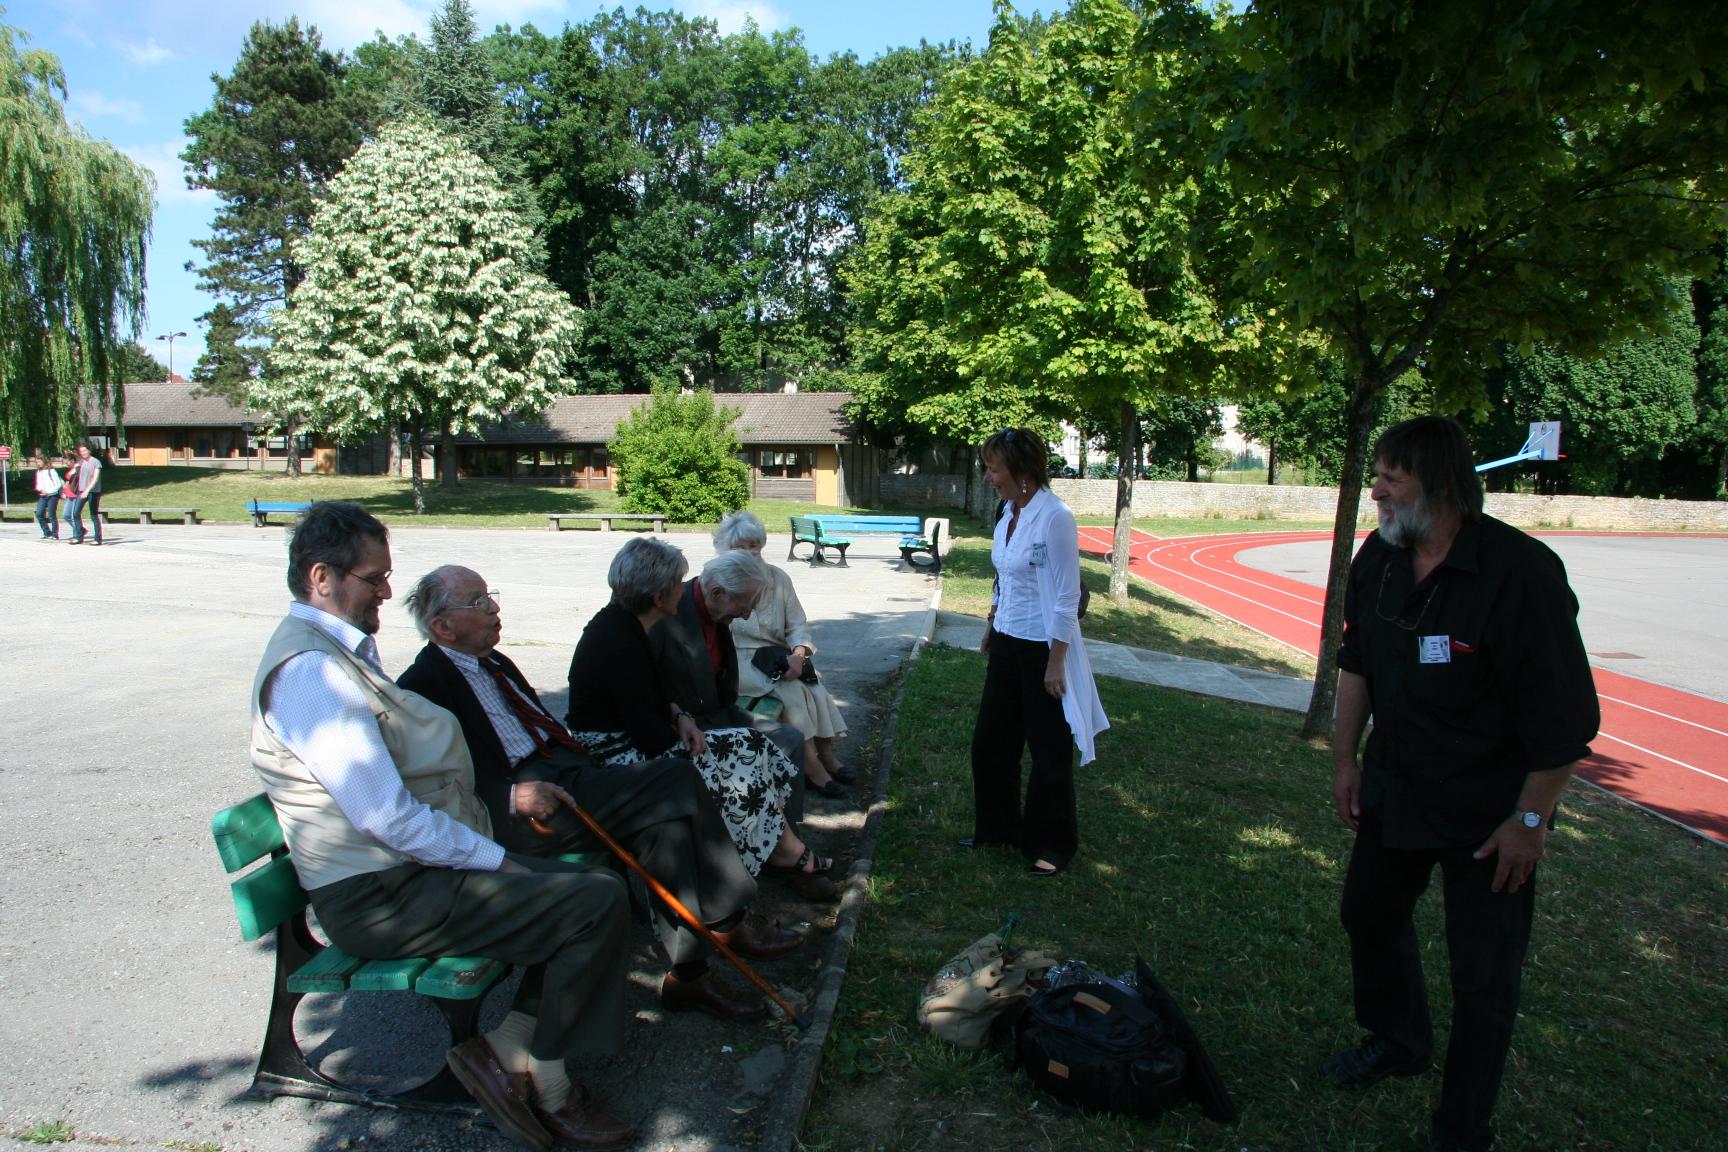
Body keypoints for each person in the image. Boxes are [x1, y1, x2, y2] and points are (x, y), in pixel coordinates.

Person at [249, 501, 634, 1152]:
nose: (388, 591)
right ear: (322, 578)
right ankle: (545, 1079)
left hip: (398, 878)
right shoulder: (311, 672)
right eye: (374, 578)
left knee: (587, 881)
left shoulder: (333, 655)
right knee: (592, 901)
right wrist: (494, 858)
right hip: (377, 896)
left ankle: (513, 1047)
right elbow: (387, 817)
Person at [1324, 416, 1599, 1152]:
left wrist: (1531, 822)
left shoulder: (1520, 574)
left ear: (1441, 486)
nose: (1376, 489)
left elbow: (1566, 719)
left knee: (1484, 977)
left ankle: (1462, 1126)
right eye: (1376, 473)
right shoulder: (1378, 561)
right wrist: (1346, 759)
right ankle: (1398, 1039)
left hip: (1490, 813)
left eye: (1391, 477)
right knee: (1368, 915)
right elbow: (1359, 663)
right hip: (1397, 786)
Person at [398, 564, 802, 1022]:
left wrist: (671, 714)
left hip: (570, 774)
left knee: (664, 825)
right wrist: (510, 797)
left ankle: (688, 977)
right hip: (527, 807)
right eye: (478, 602)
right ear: (442, 627)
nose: (494, 608)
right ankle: (727, 918)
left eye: (490, 595)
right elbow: (428, 789)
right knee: (675, 775)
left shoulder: (494, 664)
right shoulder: (421, 687)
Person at [566, 538, 837, 902]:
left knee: (754, 744)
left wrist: (678, 715)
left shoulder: (628, 625)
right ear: (660, 597)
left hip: (654, 733)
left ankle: (780, 849)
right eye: (678, 583)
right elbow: (647, 734)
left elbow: (652, 698)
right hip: (619, 753)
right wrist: (686, 726)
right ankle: (778, 858)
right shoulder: (618, 637)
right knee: (738, 759)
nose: (684, 587)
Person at [967, 427, 1108, 877]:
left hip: (1041, 649)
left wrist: (1056, 661)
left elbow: (1067, 596)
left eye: (994, 468)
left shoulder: (1055, 517)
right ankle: (998, 828)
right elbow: (1005, 577)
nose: (988, 476)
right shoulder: (1008, 510)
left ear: (1023, 472)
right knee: (991, 744)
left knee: (1048, 752)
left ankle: (1052, 843)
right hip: (1007, 641)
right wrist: (992, 623)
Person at [713, 511, 853, 798]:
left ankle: (827, 757)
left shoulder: (778, 578)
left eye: (755, 546)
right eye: (741, 548)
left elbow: (798, 625)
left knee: (812, 685)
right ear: (725, 550)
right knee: (790, 690)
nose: (751, 553)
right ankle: (812, 768)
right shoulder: (717, 581)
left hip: (774, 657)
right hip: (736, 659)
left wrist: (799, 655)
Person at [66, 442, 102, 546]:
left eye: (85, 450)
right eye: (81, 451)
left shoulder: (96, 462)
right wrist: (73, 471)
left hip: (93, 491)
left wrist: (87, 490)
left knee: (93, 515)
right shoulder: (81, 462)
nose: (83, 453)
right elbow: (71, 475)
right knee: (75, 513)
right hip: (81, 491)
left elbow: (95, 479)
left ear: (89, 450)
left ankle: (97, 539)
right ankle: (78, 537)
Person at [32, 454, 62, 540]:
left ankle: (55, 534)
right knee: (39, 513)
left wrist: (48, 491)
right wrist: (40, 489)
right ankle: (47, 532)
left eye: (39, 461)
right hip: (43, 495)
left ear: (44, 461)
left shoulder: (51, 471)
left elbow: (58, 484)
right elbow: (38, 484)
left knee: (52, 515)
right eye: (37, 462)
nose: (38, 463)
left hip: (52, 495)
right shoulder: (39, 472)